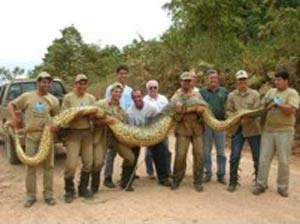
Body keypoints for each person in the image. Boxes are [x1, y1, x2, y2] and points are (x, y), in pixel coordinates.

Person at [8, 71, 60, 208]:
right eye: (43, 81)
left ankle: (48, 195)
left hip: (47, 136)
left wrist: (56, 127)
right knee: (30, 165)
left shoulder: (53, 100)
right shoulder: (27, 97)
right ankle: (31, 196)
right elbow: (11, 105)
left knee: (49, 166)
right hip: (31, 135)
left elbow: (56, 118)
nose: (46, 84)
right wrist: (14, 119)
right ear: (38, 83)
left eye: (48, 82)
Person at [253, 70, 299, 197]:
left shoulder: (292, 93)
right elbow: (262, 106)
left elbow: (292, 110)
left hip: (284, 131)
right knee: (263, 159)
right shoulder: (271, 92)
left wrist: (278, 103)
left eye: (279, 80)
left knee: (283, 160)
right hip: (268, 130)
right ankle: (260, 184)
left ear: (286, 81)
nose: (276, 82)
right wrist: (265, 102)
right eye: (275, 79)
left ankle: (282, 187)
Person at [123, 88, 171, 190]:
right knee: (131, 154)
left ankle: (164, 178)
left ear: (142, 96)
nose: (137, 99)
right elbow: (130, 128)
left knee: (161, 148)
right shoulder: (129, 112)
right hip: (137, 135)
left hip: (150, 133)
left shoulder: (152, 108)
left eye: (139, 96)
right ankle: (126, 181)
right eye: (135, 97)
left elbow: (160, 120)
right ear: (132, 99)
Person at [93, 82, 136, 192]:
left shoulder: (121, 111)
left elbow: (124, 126)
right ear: (111, 92)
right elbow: (93, 120)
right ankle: (94, 187)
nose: (117, 93)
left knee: (130, 158)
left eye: (119, 92)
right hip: (103, 136)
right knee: (98, 162)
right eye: (115, 91)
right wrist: (106, 121)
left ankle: (125, 182)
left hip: (116, 138)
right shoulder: (101, 104)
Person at [170, 71, 207, 192]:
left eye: (188, 81)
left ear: (191, 82)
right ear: (180, 82)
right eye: (184, 81)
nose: (186, 83)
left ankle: (198, 181)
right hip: (182, 130)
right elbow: (173, 118)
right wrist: (179, 112)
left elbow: (205, 110)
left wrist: (201, 113)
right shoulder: (175, 97)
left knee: (199, 155)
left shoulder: (197, 95)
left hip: (197, 129)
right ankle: (176, 179)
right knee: (180, 155)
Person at [62, 74, 96, 203]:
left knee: (88, 162)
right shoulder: (68, 98)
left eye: (84, 84)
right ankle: (69, 190)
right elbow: (63, 116)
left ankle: (83, 188)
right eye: (79, 83)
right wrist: (75, 115)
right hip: (73, 133)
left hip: (87, 132)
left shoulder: (91, 98)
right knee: (71, 164)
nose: (82, 86)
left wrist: (90, 115)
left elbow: (94, 116)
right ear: (75, 84)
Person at [226, 70, 261, 192]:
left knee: (257, 156)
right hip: (238, 129)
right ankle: (232, 182)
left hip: (253, 129)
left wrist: (245, 116)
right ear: (236, 81)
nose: (242, 82)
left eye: (244, 79)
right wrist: (237, 117)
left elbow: (257, 111)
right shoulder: (231, 96)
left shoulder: (255, 94)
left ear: (247, 80)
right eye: (240, 79)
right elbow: (228, 111)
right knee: (234, 156)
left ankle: (259, 182)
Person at [103, 65, 133, 188]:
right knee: (111, 153)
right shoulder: (110, 88)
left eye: (125, 73)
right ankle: (107, 177)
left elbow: (130, 107)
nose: (123, 75)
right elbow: (106, 105)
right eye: (121, 73)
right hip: (112, 124)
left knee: (128, 152)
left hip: (125, 122)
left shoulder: (130, 90)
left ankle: (126, 177)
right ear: (117, 74)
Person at [200, 69, 228, 184]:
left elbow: (228, 107)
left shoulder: (224, 91)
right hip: (206, 125)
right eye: (211, 78)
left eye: (215, 78)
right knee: (206, 151)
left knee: (221, 151)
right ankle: (208, 173)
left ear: (218, 80)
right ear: (207, 80)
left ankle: (221, 175)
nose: (213, 80)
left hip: (220, 124)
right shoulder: (202, 92)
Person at [143, 80, 172, 178]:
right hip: (150, 127)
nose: (153, 89)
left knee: (166, 150)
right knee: (149, 152)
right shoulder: (144, 100)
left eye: (154, 87)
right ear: (147, 89)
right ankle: (150, 172)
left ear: (158, 88)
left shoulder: (163, 98)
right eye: (150, 88)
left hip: (163, 127)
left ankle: (167, 170)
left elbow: (169, 111)